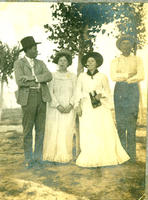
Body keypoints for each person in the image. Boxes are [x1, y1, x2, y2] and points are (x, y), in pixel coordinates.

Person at [75, 52, 130, 168]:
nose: (89, 63)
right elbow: (77, 92)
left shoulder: (102, 76)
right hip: (86, 107)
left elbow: (108, 92)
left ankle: (104, 157)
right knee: (88, 131)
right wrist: (78, 106)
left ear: (97, 64)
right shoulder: (81, 76)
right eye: (88, 61)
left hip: (100, 107)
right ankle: (90, 156)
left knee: (101, 130)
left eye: (92, 61)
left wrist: (100, 94)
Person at [14, 36, 52, 168]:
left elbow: (49, 76)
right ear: (28, 50)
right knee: (28, 129)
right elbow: (20, 81)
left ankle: (38, 158)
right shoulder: (19, 63)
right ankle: (29, 159)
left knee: (41, 129)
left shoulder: (40, 63)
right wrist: (39, 79)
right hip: (28, 97)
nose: (36, 50)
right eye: (34, 48)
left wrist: (33, 78)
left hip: (42, 97)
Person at [110, 35, 144, 162]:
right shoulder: (116, 60)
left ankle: (132, 155)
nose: (126, 46)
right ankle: (122, 154)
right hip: (120, 90)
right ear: (120, 46)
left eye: (128, 43)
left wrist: (129, 79)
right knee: (121, 122)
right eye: (123, 44)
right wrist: (128, 75)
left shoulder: (137, 59)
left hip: (132, 90)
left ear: (131, 46)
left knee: (131, 122)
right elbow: (113, 76)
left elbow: (141, 75)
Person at [43, 49, 76, 163]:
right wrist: (57, 105)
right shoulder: (52, 76)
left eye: (65, 61)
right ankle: (51, 155)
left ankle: (64, 155)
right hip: (55, 109)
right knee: (53, 130)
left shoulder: (72, 76)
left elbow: (75, 92)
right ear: (57, 62)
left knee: (66, 130)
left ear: (68, 63)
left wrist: (70, 105)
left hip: (68, 108)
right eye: (60, 60)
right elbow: (50, 92)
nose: (62, 63)